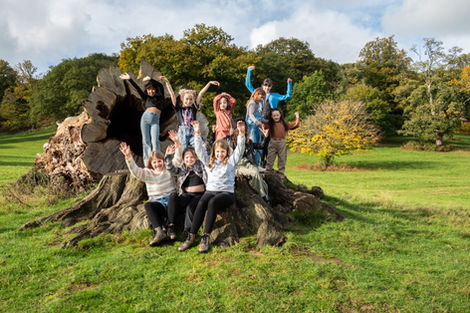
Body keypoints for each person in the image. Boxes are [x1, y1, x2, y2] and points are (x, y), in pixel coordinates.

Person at [178, 120, 246, 253]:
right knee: (202, 201)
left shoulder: (231, 162)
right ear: (214, 152)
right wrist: (196, 134)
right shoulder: (209, 163)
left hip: (226, 193)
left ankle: (205, 237)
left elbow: (240, 149)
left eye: (223, 152)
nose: (220, 154)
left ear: (227, 152)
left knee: (213, 202)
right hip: (210, 191)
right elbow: (198, 150)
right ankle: (191, 236)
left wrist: (241, 134)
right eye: (218, 152)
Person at [119, 142, 176, 246]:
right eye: (154, 162)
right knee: (148, 205)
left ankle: (171, 228)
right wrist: (128, 157)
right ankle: (159, 232)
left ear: (163, 161)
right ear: (151, 163)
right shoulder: (148, 173)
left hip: (171, 201)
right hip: (158, 203)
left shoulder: (168, 170)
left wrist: (169, 155)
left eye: (159, 161)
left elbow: (177, 161)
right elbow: (135, 171)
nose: (157, 164)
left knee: (173, 196)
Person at [119, 73, 176, 165]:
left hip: (155, 121)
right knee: (146, 141)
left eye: (153, 89)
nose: (151, 91)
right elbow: (137, 89)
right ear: (147, 91)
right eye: (149, 90)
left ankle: (157, 160)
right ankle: (147, 163)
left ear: (155, 90)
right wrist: (130, 79)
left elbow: (161, 86)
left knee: (155, 141)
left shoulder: (160, 97)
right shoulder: (146, 98)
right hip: (145, 119)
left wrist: (151, 79)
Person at [246, 66, 293, 167]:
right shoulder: (258, 94)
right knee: (257, 143)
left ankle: (265, 165)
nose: (266, 87)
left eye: (268, 86)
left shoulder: (274, 96)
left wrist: (289, 84)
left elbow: (287, 96)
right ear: (262, 86)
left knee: (268, 145)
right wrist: (249, 71)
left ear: (271, 87)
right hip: (258, 122)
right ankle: (256, 163)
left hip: (270, 122)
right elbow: (248, 85)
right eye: (265, 85)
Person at [164, 130, 207, 240]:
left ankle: (187, 230)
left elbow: (204, 153)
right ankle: (171, 226)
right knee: (173, 196)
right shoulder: (183, 168)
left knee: (190, 207)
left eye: (192, 157)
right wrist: (169, 156)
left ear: (196, 157)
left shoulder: (200, 165)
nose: (189, 159)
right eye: (187, 158)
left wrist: (200, 141)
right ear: (184, 159)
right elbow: (170, 168)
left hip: (198, 195)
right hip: (185, 195)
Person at [231, 119, 270, 205]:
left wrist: (266, 137)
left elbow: (261, 146)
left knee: (262, 181)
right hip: (237, 165)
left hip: (248, 163)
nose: (241, 127)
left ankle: (265, 197)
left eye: (243, 126)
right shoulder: (230, 141)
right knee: (255, 173)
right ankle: (264, 197)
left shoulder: (249, 142)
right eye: (239, 125)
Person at [173, 81, 220, 150]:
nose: (189, 101)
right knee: (183, 150)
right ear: (182, 99)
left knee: (199, 148)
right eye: (187, 99)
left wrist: (209, 83)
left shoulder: (193, 108)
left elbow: (201, 93)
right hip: (183, 132)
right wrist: (167, 82)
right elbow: (172, 95)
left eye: (191, 99)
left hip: (193, 131)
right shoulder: (179, 109)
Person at [260, 109, 300, 176]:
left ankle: (281, 175)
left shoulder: (284, 124)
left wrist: (297, 116)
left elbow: (295, 125)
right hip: (272, 142)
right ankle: (267, 173)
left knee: (282, 159)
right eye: (274, 116)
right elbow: (263, 125)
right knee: (270, 158)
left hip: (281, 142)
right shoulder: (270, 124)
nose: (276, 117)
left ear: (280, 115)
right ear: (271, 116)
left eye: (277, 115)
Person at [245, 87, 266, 166]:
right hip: (253, 128)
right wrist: (257, 122)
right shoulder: (252, 103)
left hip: (257, 128)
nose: (262, 98)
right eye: (261, 96)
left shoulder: (257, 104)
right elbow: (250, 115)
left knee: (258, 147)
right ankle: (254, 165)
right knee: (254, 146)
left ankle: (257, 163)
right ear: (257, 94)